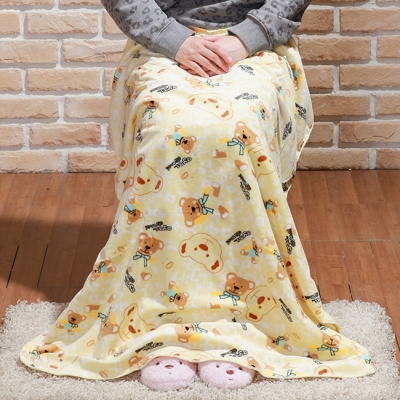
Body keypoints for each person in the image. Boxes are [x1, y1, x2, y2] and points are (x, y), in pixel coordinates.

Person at [20, 0, 375, 392]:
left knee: (235, 131)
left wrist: (248, 37)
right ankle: (156, 320)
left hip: (254, 45)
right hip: (162, 43)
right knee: (167, 129)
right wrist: (173, 39)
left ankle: (247, 318)